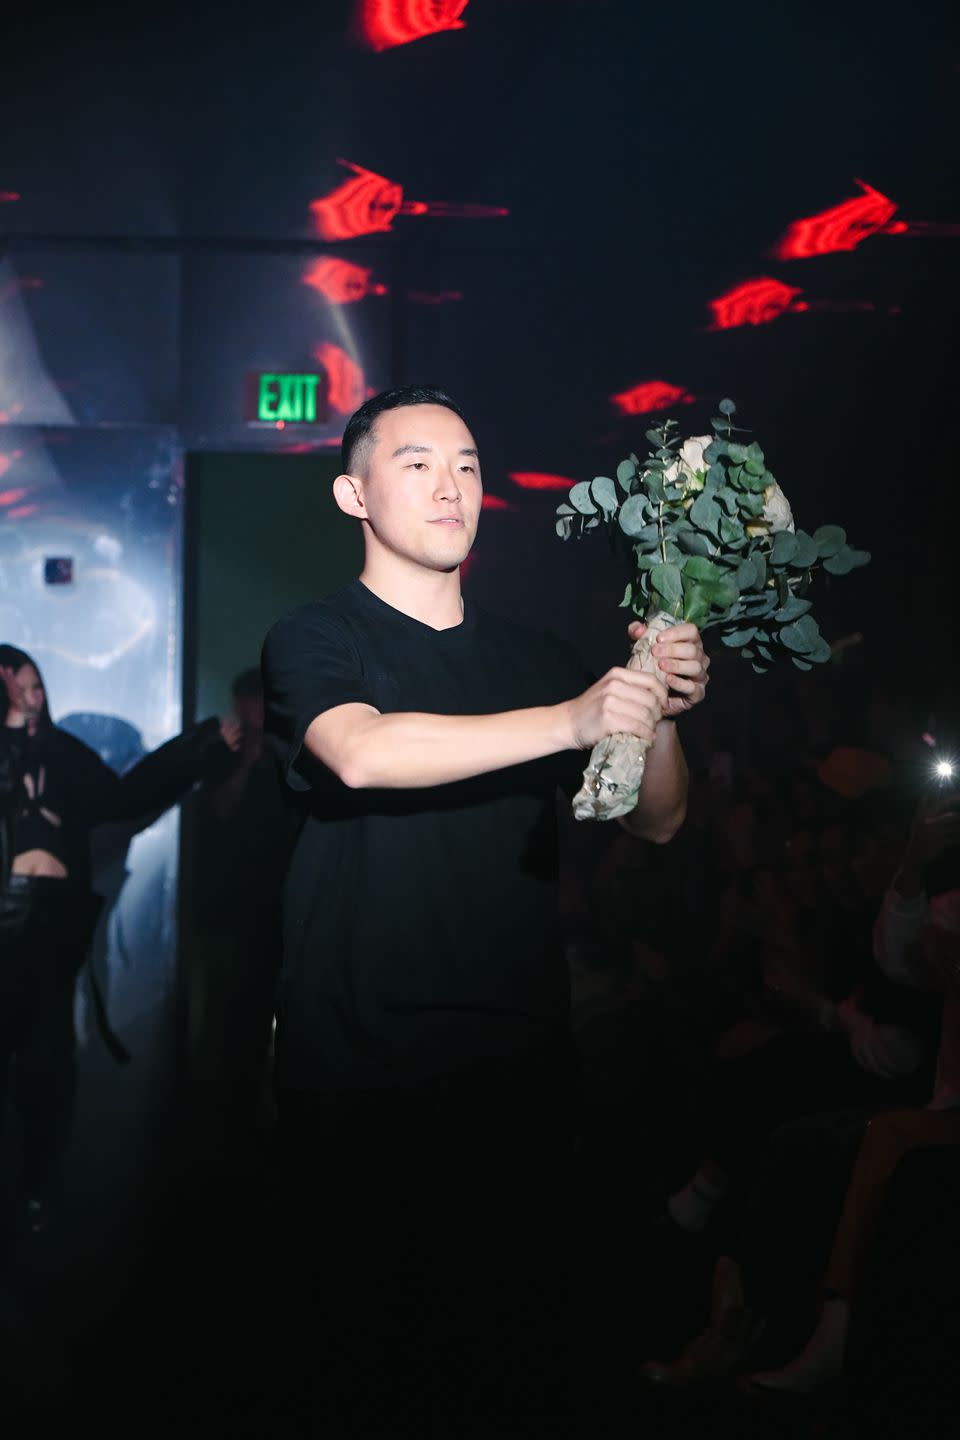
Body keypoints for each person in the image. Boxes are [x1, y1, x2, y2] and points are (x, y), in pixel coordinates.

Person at [260, 383, 710, 1425]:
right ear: (353, 494)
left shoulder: (537, 655)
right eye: (415, 462)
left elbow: (658, 821)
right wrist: (573, 717)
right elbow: (362, 754)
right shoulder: (316, 638)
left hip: (517, 1055)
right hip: (356, 1062)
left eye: (466, 463)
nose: (450, 483)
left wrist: (655, 706)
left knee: (506, 1362)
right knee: (369, 1360)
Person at [0, 644, 241, 1234]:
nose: (31, 697)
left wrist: (200, 747)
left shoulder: (62, 752)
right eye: (18, 687)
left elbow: (125, 797)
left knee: (47, 1059)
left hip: (52, 921)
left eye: (36, 687)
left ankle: (39, 1182)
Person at [740, 786, 960, 1396]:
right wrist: (915, 862)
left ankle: (829, 1339)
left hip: (924, 1107)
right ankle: (756, 1321)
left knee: (866, 1135)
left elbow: (894, 1047)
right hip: (940, 1106)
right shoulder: (944, 906)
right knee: (797, 1128)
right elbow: (898, 954)